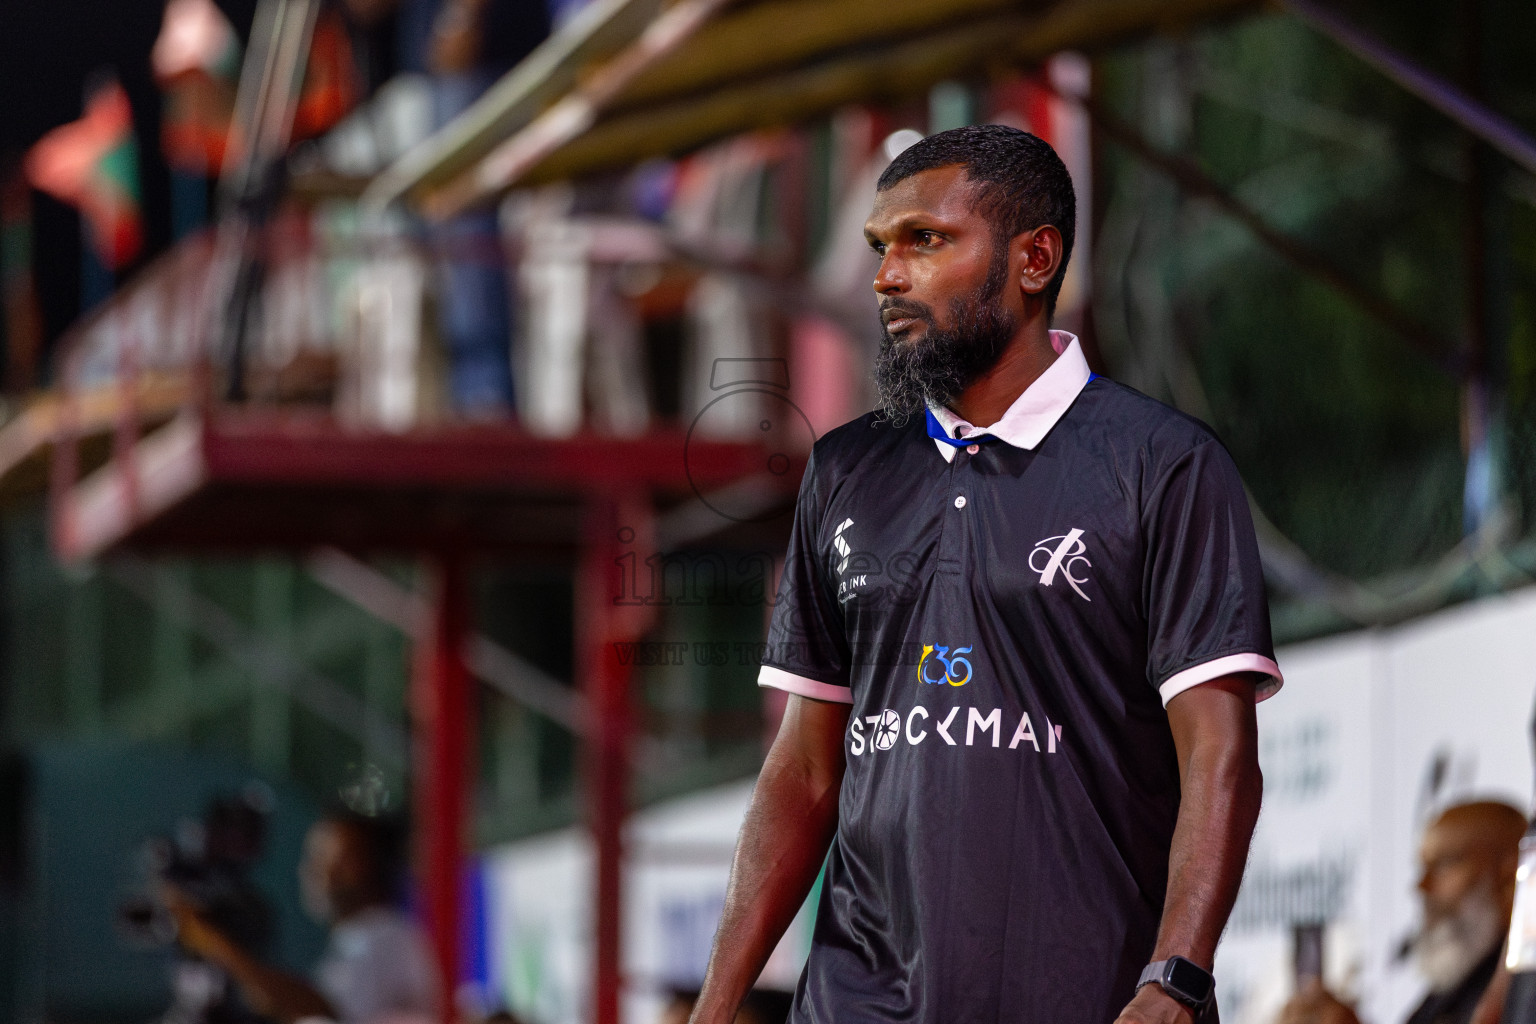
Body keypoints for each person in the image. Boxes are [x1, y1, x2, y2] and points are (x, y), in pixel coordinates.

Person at [689, 124, 1282, 1024]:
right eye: (881, 248)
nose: (888, 276)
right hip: (855, 1004)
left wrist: (1176, 978)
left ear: (1034, 259)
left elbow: (1220, 754)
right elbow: (804, 770)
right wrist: (714, 1007)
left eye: (925, 239)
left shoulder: (1163, 464)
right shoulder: (843, 469)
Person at [166, 811, 438, 1024]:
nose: (312, 870)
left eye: (328, 855)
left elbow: (324, 1012)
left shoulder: (381, 937)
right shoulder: (371, 936)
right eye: (312, 856)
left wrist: (213, 943)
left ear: (367, 866)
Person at [1280, 801, 1525, 1024]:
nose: (1422, 885)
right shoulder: (1451, 989)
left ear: (1509, 875)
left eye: (1444, 864)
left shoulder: (1522, 990)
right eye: (1424, 867)